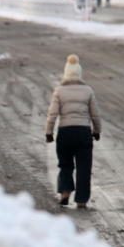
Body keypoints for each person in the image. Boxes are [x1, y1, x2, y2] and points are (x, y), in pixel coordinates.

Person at [45, 55, 101, 208]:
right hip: (83, 133)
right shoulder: (88, 90)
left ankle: (64, 191)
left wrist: (48, 132)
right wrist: (97, 130)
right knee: (84, 168)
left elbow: (52, 114)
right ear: (79, 74)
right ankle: (81, 199)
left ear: (66, 74)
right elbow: (95, 114)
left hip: (65, 133)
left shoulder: (59, 91)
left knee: (65, 164)